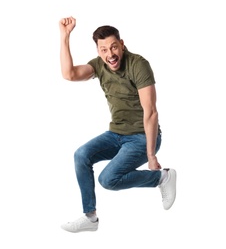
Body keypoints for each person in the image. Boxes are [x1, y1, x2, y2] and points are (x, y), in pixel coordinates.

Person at [59, 16, 177, 233]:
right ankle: (90, 217)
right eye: (103, 50)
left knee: (109, 179)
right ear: (98, 51)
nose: (110, 54)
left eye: (113, 47)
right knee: (81, 155)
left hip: (143, 136)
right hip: (116, 134)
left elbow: (151, 112)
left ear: (121, 45)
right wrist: (65, 36)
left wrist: (151, 156)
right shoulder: (98, 66)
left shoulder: (138, 64)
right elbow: (69, 74)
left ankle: (163, 177)